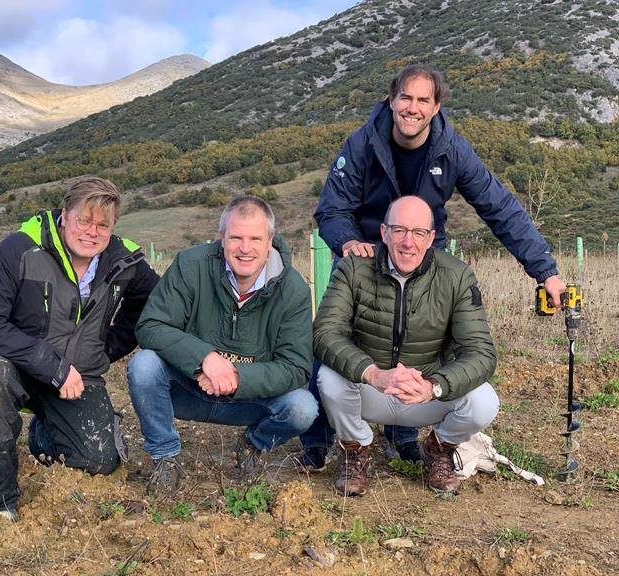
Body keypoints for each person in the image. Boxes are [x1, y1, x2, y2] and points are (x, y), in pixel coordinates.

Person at [299, 63, 565, 469]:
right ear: (392, 100)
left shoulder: (452, 149)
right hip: (365, 251)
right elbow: (332, 209)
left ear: (436, 106)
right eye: (405, 97)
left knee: (418, 336)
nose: (413, 108)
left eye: (423, 100)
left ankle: (404, 435)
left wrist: (544, 269)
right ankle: (319, 439)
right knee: (333, 337)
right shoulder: (362, 144)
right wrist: (348, 242)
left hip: (423, 252)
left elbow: (499, 207)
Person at [0, 177, 158, 521]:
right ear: (64, 215)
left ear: (113, 227)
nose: (92, 232)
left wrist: (107, 347)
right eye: (84, 220)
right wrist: (50, 364)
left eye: (103, 225)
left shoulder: (124, 260)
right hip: (14, 364)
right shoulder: (21, 248)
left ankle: (42, 432)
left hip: (78, 374)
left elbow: (154, 302)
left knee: (99, 460)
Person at [128, 195, 317, 494]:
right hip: (188, 388)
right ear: (221, 238)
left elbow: (295, 367)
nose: (245, 248)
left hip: (249, 400)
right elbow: (150, 325)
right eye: (236, 237)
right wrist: (204, 358)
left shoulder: (293, 289)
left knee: (302, 407)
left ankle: (253, 444)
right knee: (144, 366)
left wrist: (237, 377)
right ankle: (165, 458)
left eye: (255, 238)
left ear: (270, 241)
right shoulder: (190, 265)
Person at [314, 196, 499, 495]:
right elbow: (325, 332)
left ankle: (439, 449)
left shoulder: (456, 275)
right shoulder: (353, 268)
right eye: (398, 230)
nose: (407, 242)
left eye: (418, 232)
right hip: (371, 388)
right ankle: (355, 450)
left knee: (484, 401)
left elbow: (481, 352)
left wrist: (434, 386)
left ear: (431, 238)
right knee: (329, 377)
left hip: (423, 393)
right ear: (384, 233)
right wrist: (373, 373)